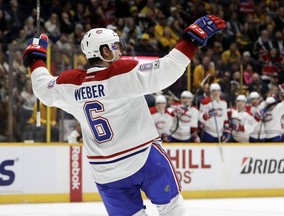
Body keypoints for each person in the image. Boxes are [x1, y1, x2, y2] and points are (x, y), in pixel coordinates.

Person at [22, 15, 226, 216]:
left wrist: (36, 60)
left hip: (106, 173)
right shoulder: (121, 73)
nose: (120, 51)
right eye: (115, 46)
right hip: (145, 159)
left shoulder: (71, 84)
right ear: (104, 51)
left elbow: (42, 89)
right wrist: (190, 41)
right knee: (173, 208)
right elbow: (167, 70)